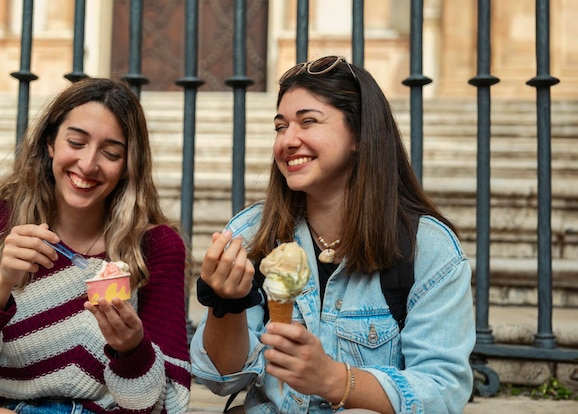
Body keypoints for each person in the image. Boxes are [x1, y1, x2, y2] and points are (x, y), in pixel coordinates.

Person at [189, 56, 475, 413]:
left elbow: (443, 388)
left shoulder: (428, 248)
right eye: (281, 127)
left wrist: (333, 379)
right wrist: (226, 303)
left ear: (358, 134)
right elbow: (222, 378)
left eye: (308, 122)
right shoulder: (252, 234)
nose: (288, 140)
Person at [0, 78, 191, 413]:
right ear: (50, 142)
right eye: (76, 142)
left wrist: (131, 348)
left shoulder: (155, 247)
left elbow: (169, 404)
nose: (88, 164)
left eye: (110, 153)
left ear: (127, 167)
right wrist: (2, 281)